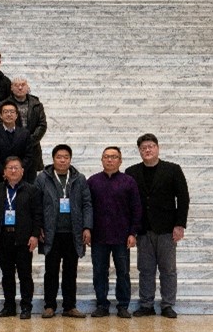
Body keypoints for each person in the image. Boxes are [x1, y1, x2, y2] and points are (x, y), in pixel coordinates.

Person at [126, 134, 189, 318]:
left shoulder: (173, 169)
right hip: (143, 229)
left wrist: (180, 224)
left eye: (151, 146)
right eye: (143, 147)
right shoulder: (131, 172)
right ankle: (146, 304)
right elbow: (128, 202)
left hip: (167, 229)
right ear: (139, 151)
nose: (147, 150)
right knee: (145, 269)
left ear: (157, 148)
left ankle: (167, 304)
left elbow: (183, 198)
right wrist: (131, 229)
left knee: (168, 269)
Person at [35, 144, 93, 319]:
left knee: (70, 271)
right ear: (53, 159)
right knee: (51, 271)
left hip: (73, 233)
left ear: (70, 159)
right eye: (59, 157)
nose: (62, 160)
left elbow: (87, 204)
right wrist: (38, 227)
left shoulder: (79, 178)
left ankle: (69, 306)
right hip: (51, 232)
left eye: (66, 157)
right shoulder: (42, 178)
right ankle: (49, 306)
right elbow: (36, 204)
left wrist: (87, 227)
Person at [87, 146, 142, 319]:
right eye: (106, 156)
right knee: (99, 272)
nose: (109, 160)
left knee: (123, 272)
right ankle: (102, 304)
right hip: (99, 236)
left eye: (114, 157)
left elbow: (136, 208)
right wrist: (87, 229)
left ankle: (123, 305)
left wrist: (133, 233)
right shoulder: (93, 181)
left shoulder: (129, 182)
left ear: (120, 160)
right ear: (102, 160)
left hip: (122, 236)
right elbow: (86, 208)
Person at [0, 157, 43, 319]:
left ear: (22, 171)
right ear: (4, 172)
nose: (13, 171)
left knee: (25, 274)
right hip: (3, 237)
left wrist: (35, 235)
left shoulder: (31, 190)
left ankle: (26, 306)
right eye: (10, 168)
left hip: (23, 238)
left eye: (16, 168)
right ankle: (9, 306)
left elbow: (37, 215)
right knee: (7, 275)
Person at [0, 99, 34, 183]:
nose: (9, 114)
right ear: (0, 115)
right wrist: (4, 171)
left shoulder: (25, 133)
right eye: (6, 112)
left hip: (20, 177)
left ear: (16, 115)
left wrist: (18, 170)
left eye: (12, 112)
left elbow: (29, 155)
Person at [9, 77, 47, 176]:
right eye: (16, 85)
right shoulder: (4, 105)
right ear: (11, 88)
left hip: (33, 149)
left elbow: (42, 125)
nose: (20, 88)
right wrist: (18, 141)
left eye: (23, 85)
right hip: (12, 149)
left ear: (27, 87)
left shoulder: (36, 104)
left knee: (32, 180)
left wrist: (29, 141)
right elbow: (1, 124)